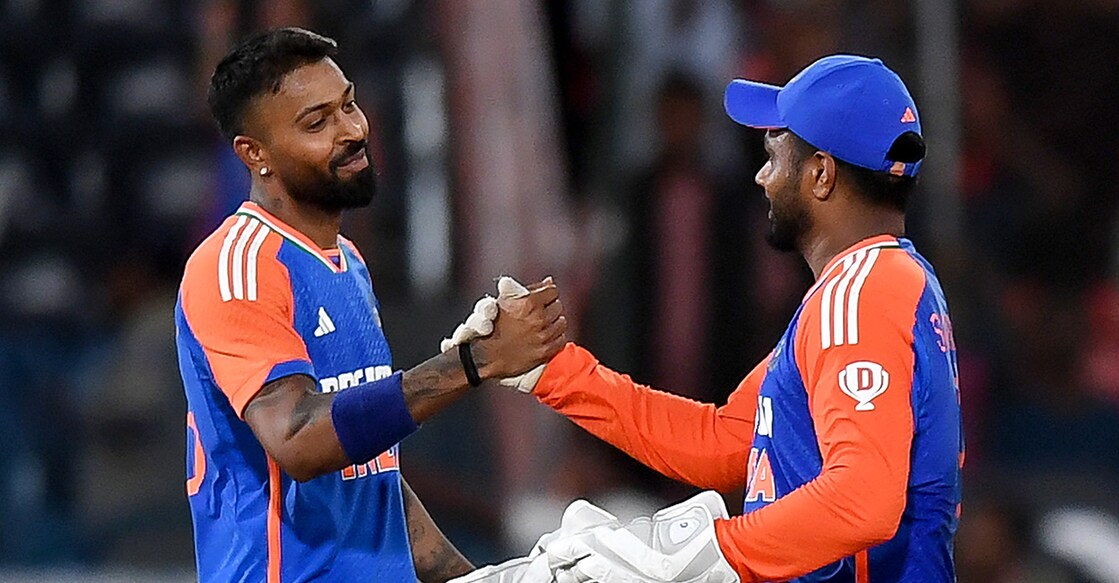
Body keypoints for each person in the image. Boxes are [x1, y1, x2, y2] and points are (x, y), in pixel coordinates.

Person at [457, 55, 962, 583]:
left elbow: (862, 501)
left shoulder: (862, 291)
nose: (762, 177)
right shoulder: (879, 285)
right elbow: (722, 440)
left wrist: (707, 552)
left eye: (774, 156)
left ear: (820, 174)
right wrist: (551, 371)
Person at [176, 28, 567, 582]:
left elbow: (373, 477)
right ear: (254, 153)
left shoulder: (348, 262)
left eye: (349, 104)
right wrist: (473, 362)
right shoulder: (236, 266)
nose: (353, 130)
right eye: (317, 123)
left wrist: (475, 579)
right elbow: (298, 440)